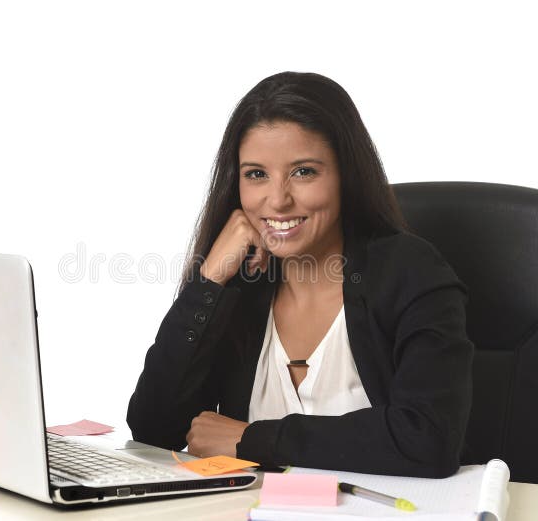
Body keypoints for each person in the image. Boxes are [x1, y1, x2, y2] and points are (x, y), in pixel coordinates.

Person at [126, 71, 473, 478]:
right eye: (256, 174)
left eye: (303, 171)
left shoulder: (411, 272)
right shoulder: (243, 285)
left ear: (346, 174)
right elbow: (153, 429)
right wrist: (210, 280)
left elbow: (428, 439)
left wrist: (251, 438)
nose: (277, 199)